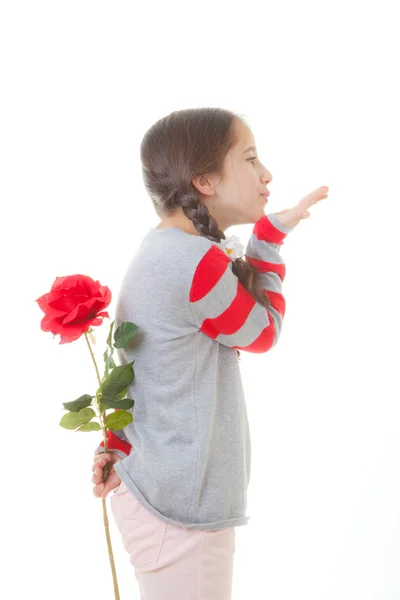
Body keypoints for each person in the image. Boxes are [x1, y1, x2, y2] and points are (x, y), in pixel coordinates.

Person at [91, 107, 329, 599]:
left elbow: (140, 368)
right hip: (181, 509)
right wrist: (267, 242)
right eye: (250, 158)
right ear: (204, 181)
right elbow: (263, 333)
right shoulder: (193, 261)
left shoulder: (164, 250)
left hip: (163, 495)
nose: (267, 174)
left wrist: (118, 443)